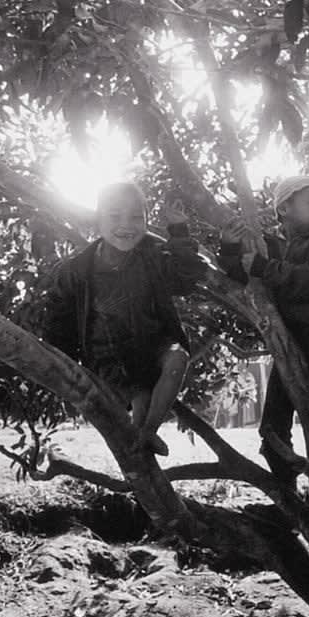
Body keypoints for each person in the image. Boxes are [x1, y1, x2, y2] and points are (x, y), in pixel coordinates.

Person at [44, 182, 204, 456]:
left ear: (146, 220)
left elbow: (186, 277)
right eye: (115, 216)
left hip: (153, 347)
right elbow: (59, 317)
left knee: (178, 358)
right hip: (109, 356)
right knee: (139, 399)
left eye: (135, 217)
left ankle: (149, 433)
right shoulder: (77, 269)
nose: (126, 225)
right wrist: (61, 362)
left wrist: (178, 230)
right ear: (98, 220)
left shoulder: (152, 256)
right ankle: (140, 459)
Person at [218, 176, 309, 491]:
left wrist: (266, 268)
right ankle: (285, 484)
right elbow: (240, 272)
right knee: (273, 425)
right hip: (290, 343)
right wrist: (228, 244)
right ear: (284, 208)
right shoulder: (273, 247)